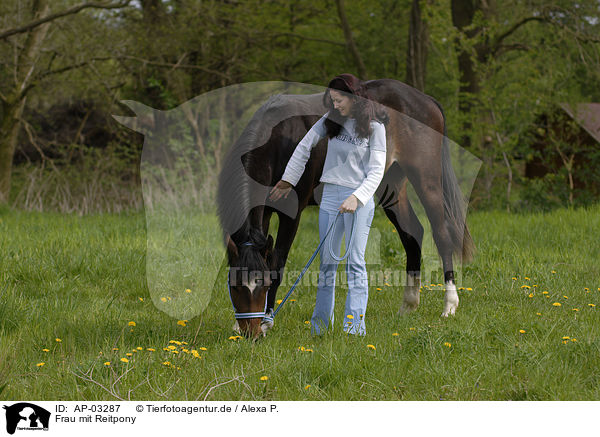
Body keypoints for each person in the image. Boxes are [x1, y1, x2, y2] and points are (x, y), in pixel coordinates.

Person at [269, 73, 387, 335]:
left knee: (355, 262)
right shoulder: (330, 121)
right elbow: (304, 147)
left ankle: (354, 327)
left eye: (339, 100)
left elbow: (377, 170)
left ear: (354, 98)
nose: (335, 106)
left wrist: (357, 197)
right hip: (330, 195)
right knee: (327, 263)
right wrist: (288, 180)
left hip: (359, 199)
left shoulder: (376, 128)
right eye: (332, 101)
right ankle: (319, 327)